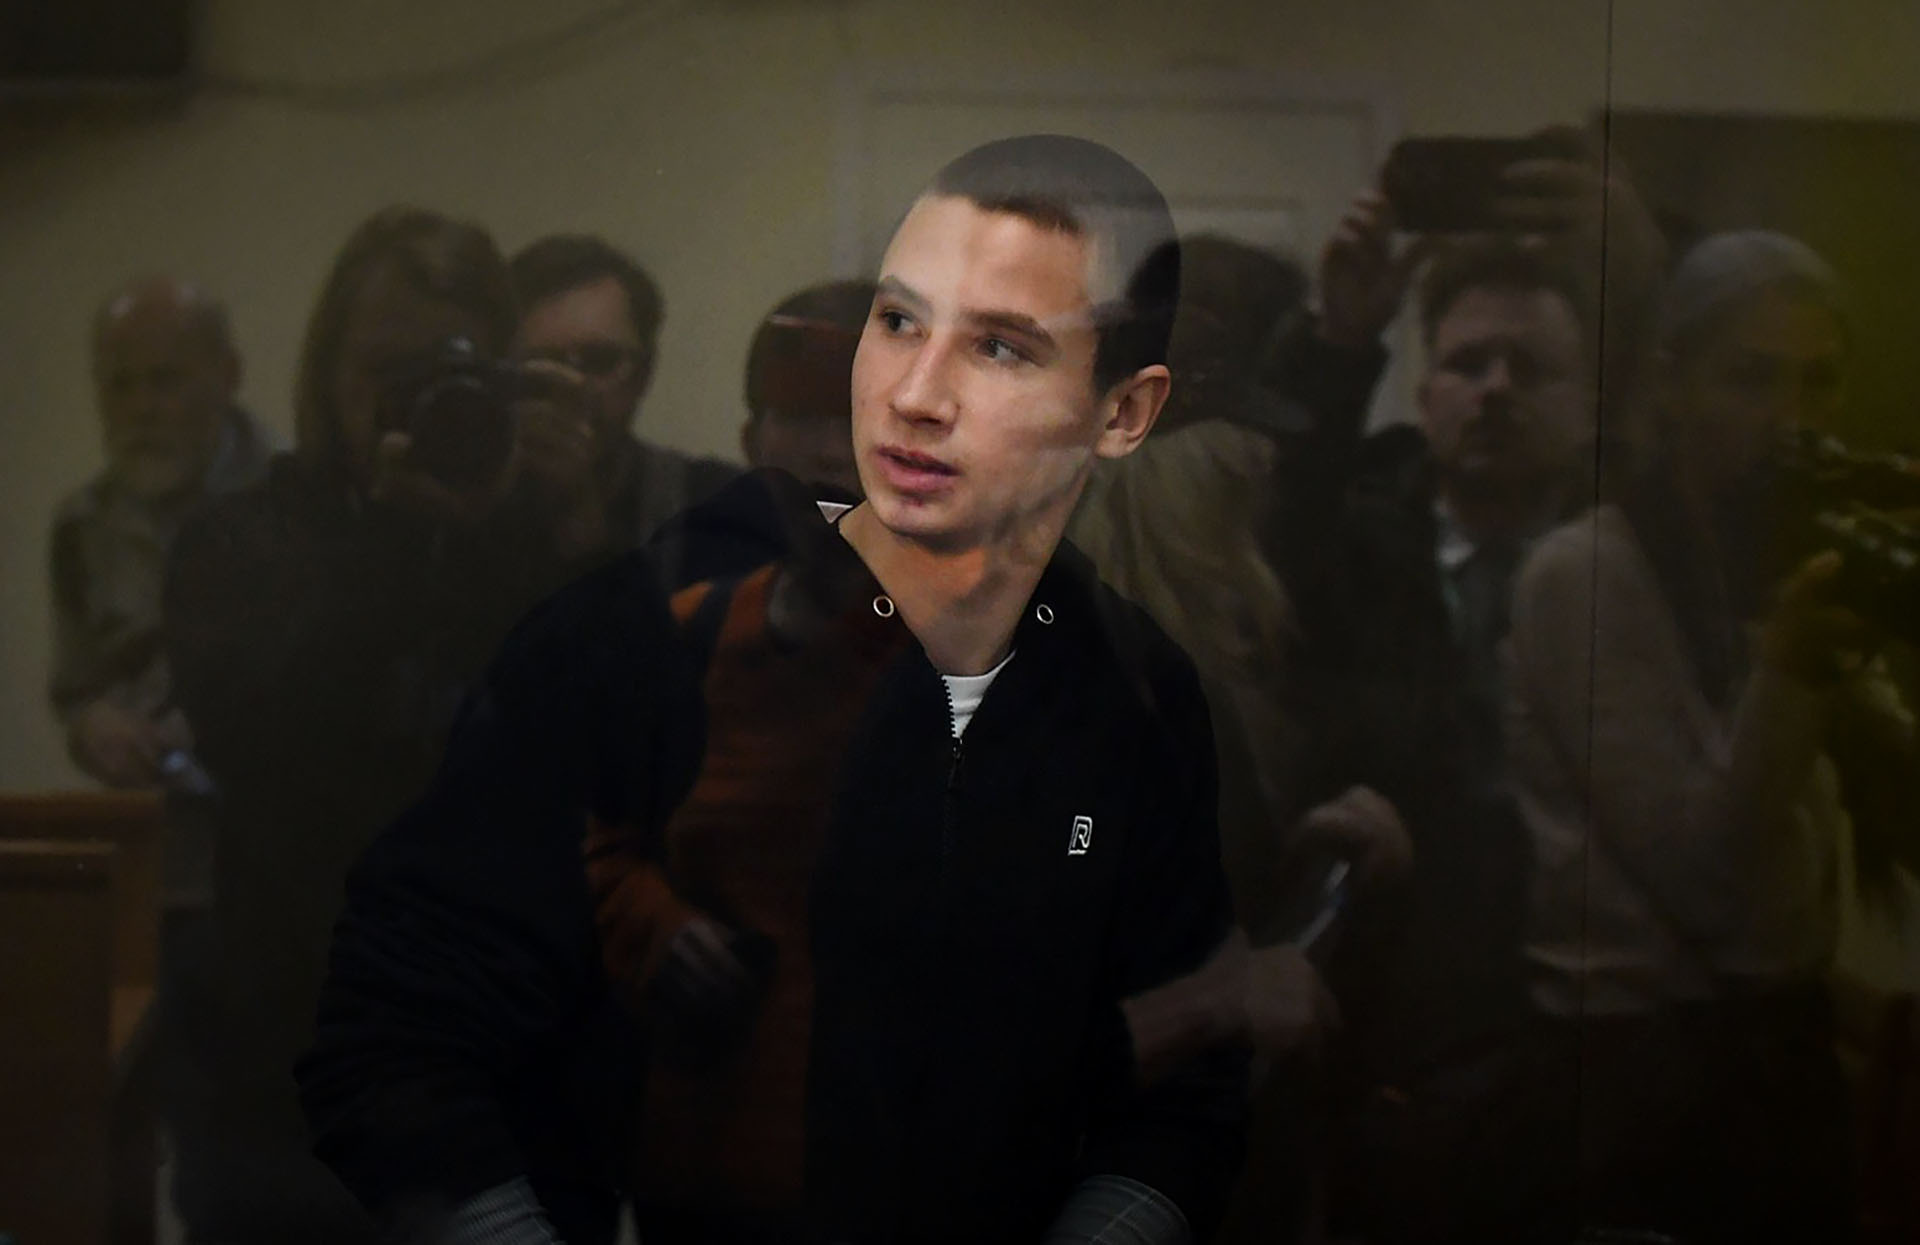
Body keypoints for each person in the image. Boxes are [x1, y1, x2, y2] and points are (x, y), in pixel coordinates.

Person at [300, 134, 1248, 1245]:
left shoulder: (1124, 690)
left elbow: (1187, 1082)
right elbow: (398, 1021)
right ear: (758, 434)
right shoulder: (630, 646)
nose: (901, 405)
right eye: (893, 332)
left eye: (1000, 351)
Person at [162, 206, 604, 1243]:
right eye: (386, 370)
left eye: (452, 370)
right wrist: (397, 543)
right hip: (290, 1093)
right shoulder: (241, 540)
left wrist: (573, 529)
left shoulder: (535, 540)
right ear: (324, 370)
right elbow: (254, 735)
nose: (414, 400)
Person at [1506, 230, 1918, 1242]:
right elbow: (1706, 877)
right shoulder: (1586, 573)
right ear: (1671, 383)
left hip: (1776, 1058)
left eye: (1819, 383)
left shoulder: (1769, 560)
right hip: (1638, 1082)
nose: (1792, 419)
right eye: (1751, 379)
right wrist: (1792, 669)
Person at [50, 277, 272, 793]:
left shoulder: (297, 501)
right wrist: (92, 726)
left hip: (274, 822)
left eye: (165, 380)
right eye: (120, 385)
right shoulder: (80, 527)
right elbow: (77, 690)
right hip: (146, 822)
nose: (141, 408)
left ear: (229, 376)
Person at [510, 233, 738, 556]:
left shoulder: (714, 503)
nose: (573, 384)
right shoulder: (469, 493)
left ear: (643, 374)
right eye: (544, 364)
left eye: (600, 361)